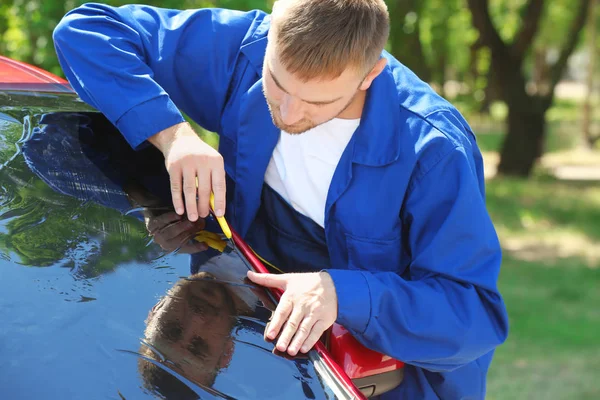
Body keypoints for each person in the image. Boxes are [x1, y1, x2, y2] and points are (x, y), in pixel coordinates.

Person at [53, 0, 509, 398]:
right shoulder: (245, 52)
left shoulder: (431, 151)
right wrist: (174, 137)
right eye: (277, 82)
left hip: (388, 389)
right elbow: (85, 31)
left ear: (371, 74)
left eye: (317, 102)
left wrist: (340, 293)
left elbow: (473, 316)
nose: (287, 114)